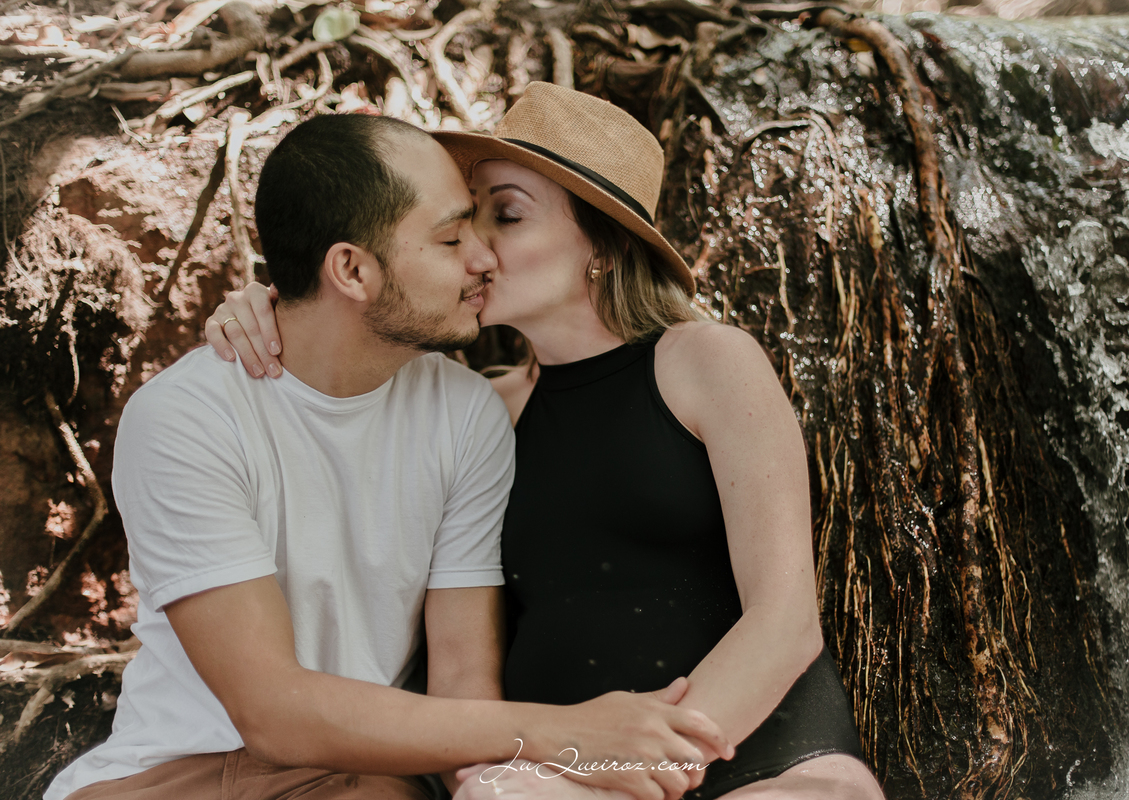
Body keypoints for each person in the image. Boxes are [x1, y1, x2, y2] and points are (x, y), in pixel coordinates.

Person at [206, 84, 886, 800]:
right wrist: (267, 307)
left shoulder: (708, 362)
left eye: (505, 215)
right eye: (464, 221)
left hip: (767, 760)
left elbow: (786, 619)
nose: (474, 248)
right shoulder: (479, 410)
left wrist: (641, 770)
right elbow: (334, 360)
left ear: (606, 243)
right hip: (551, 776)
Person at [45, 112, 732, 800]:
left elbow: (465, 686)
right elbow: (272, 713)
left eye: (487, 225)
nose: (483, 258)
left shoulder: (468, 415)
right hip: (173, 774)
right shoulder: (187, 417)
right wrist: (561, 732)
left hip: (366, 775)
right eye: (451, 237)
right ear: (350, 269)